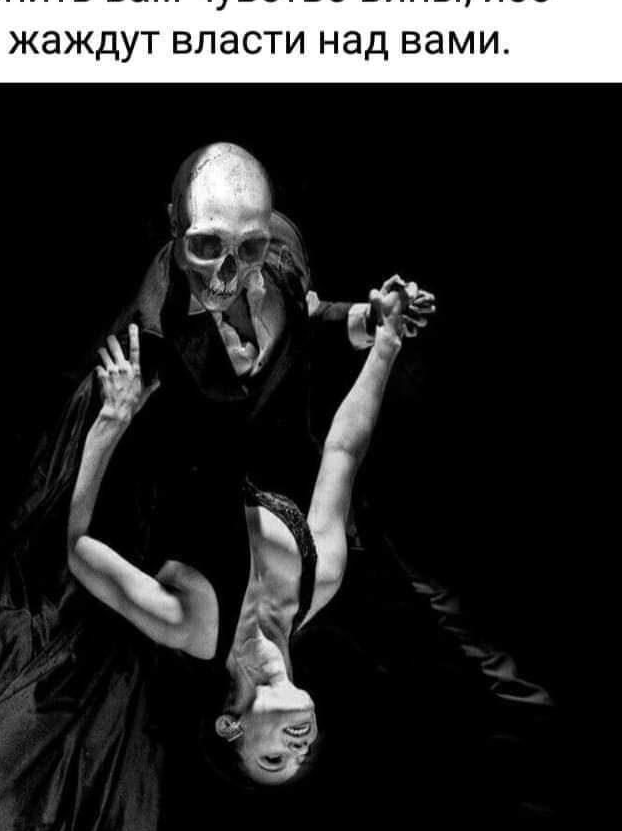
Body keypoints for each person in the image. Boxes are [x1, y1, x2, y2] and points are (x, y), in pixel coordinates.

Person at [68, 276, 431, 787]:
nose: (298, 752)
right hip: (250, 364)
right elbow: (343, 451)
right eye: (303, 758)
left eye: (274, 761)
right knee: (271, 291)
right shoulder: (321, 580)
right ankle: (344, 318)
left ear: (229, 726)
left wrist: (111, 420)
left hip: (162, 378)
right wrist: (388, 344)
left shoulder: (191, 627)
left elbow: (79, 550)